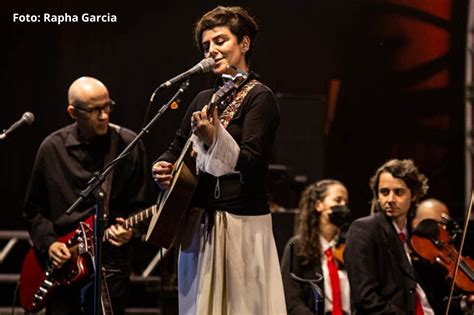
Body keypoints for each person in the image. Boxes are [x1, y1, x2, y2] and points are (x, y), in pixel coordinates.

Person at [151, 6, 286, 315]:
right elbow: (175, 148)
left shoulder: (259, 97)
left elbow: (252, 161)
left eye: (221, 41)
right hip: (199, 224)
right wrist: (163, 166)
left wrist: (215, 139)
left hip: (240, 225)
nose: (212, 50)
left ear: (245, 44)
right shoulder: (202, 99)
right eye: (206, 45)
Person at [23, 76, 152, 314]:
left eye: (107, 106)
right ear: (73, 112)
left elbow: (143, 206)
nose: (104, 115)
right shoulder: (52, 149)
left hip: (110, 268)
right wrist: (49, 244)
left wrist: (131, 231)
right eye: (94, 110)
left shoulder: (127, 144)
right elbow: (33, 210)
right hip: (63, 269)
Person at [343, 158, 434, 314]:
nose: (390, 200)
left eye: (398, 192)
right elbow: (366, 298)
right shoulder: (363, 229)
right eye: (384, 192)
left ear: (413, 195)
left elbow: (426, 293)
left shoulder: (415, 236)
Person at [281, 179, 351, 315]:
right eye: (338, 200)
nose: (343, 206)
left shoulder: (351, 245)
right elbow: (292, 300)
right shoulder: (298, 247)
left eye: (346, 203)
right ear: (319, 205)